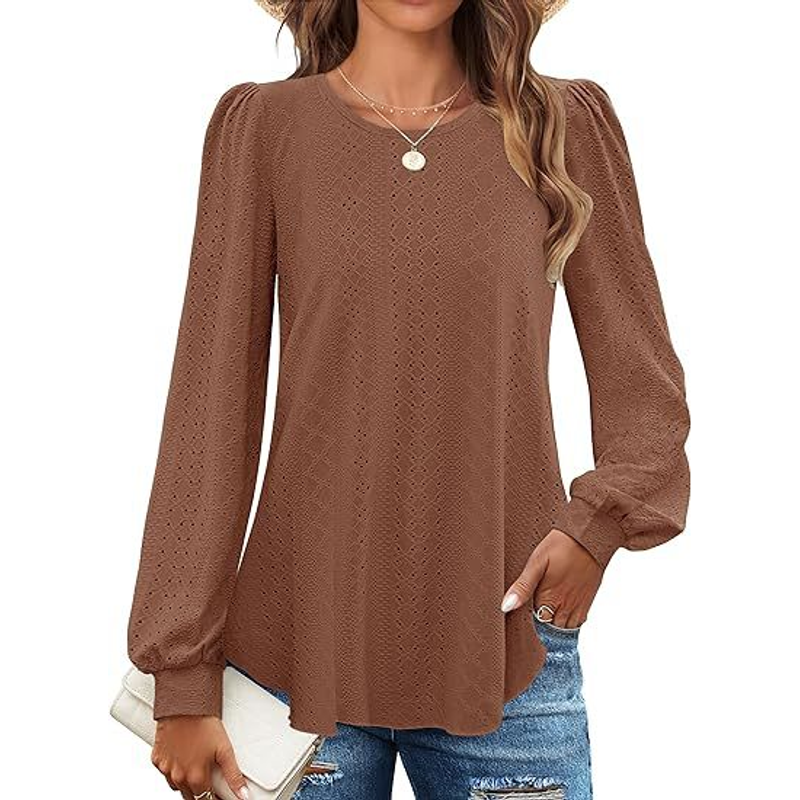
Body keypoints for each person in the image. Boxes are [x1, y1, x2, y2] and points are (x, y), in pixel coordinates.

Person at [127, 1, 690, 798]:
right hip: (292, 661)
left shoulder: (560, 124)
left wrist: (596, 528)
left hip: (506, 649)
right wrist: (181, 674)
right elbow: (208, 407)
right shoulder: (266, 128)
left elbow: (644, 384)